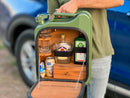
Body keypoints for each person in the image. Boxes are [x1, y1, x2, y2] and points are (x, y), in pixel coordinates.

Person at [47, 0, 124, 98]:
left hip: (97, 53)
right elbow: (52, 20)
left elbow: (118, 1)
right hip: (67, 58)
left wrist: (76, 3)